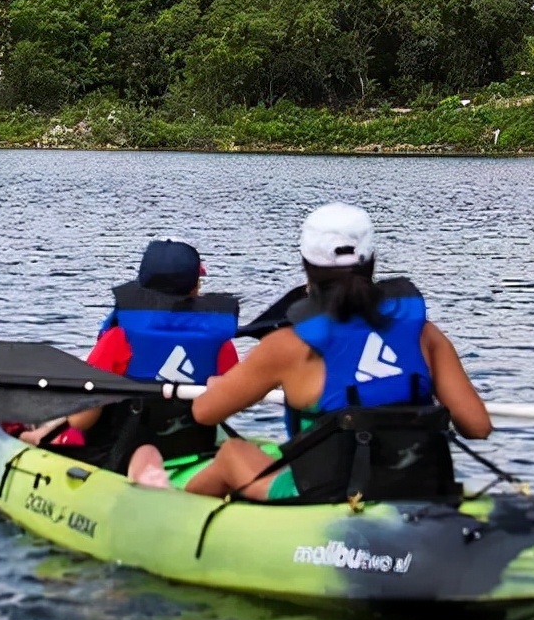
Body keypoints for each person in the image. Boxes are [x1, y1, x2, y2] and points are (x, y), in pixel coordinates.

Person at [127, 203, 490, 500]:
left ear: (306, 265)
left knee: (233, 453)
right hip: (416, 483)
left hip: (328, 493)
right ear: (371, 260)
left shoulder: (288, 345)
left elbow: (205, 412)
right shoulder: (425, 333)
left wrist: (218, 382)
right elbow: (477, 426)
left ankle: (170, 508)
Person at [13, 239, 240, 481]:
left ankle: (35, 437)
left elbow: (81, 420)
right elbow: (225, 405)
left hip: (119, 452)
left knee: (70, 422)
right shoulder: (221, 344)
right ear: (196, 288)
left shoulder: (118, 338)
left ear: (142, 288)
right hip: (191, 447)